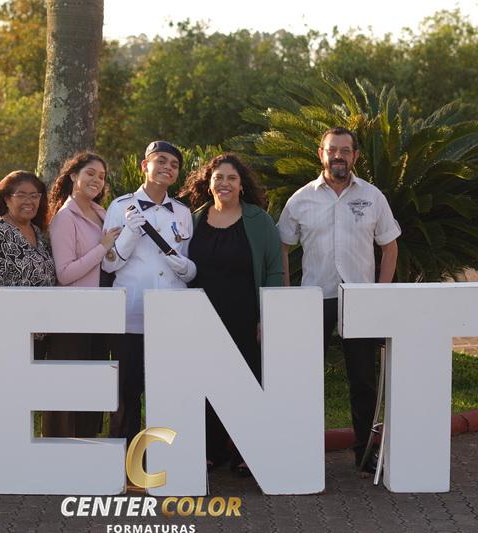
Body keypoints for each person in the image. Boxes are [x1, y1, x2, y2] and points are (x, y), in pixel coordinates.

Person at [277, 126, 400, 474]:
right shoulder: (300, 199)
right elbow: (281, 247)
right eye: (332, 150)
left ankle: (364, 451)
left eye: (345, 150)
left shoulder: (373, 196)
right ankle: (300, 448)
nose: (338, 156)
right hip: (315, 299)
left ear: (355, 156)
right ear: (321, 154)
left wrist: (380, 292)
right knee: (305, 377)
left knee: (363, 379)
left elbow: (390, 247)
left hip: (360, 299)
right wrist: (287, 295)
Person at [179, 153, 282, 476]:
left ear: (242, 185)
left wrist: (268, 317)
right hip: (203, 317)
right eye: (218, 178)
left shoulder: (259, 220)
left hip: (246, 317)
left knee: (249, 380)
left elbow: (274, 270)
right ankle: (209, 449)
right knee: (205, 381)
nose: (225, 183)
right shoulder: (193, 220)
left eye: (232, 178)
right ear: (208, 183)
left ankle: (246, 451)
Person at [101, 140, 197, 446]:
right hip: (131, 313)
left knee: (169, 389)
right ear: (145, 165)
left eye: (174, 165)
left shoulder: (182, 212)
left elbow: (190, 267)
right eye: (162, 161)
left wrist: (185, 266)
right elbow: (108, 263)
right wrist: (130, 233)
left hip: (171, 314)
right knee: (127, 390)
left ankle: (167, 456)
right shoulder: (120, 207)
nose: (168, 168)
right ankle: (123, 457)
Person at [44, 152, 121, 438]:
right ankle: (59, 449)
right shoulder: (64, 218)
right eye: (90, 173)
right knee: (67, 388)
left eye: (101, 176)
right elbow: (65, 274)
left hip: (100, 316)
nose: (97, 180)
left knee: (92, 388)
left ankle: (88, 448)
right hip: (72, 318)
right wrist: (102, 247)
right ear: (73, 175)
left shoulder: (104, 214)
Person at [0, 170, 56, 288]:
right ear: (7, 199)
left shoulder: (38, 232)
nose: (29, 201)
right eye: (21, 195)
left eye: (34, 196)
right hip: (10, 301)